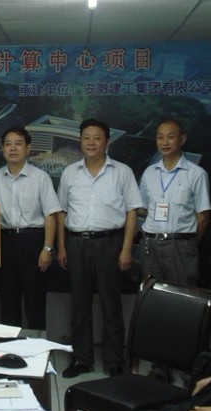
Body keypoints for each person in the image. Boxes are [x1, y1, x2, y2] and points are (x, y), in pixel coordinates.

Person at [57, 118, 143, 378]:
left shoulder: (122, 172)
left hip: (110, 243)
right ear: (80, 141)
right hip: (76, 243)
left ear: (107, 141)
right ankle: (81, 359)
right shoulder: (70, 173)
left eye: (97, 138)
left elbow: (132, 212)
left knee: (111, 304)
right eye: (86, 138)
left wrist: (126, 249)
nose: (91, 143)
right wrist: (61, 247)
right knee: (79, 304)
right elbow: (61, 212)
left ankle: (114, 361)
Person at [0, 126, 61, 330]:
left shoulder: (40, 177)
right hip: (5, 243)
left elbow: (51, 214)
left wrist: (47, 248)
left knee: (35, 300)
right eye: (8, 144)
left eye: (18, 144)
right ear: (2, 149)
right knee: (8, 299)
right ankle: (9, 345)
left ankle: (36, 346)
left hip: (33, 243)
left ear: (28, 149)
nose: (13, 148)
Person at [139, 119, 211, 286]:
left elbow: (203, 217)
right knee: (151, 294)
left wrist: (187, 243)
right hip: (150, 245)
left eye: (170, 137)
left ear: (182, 139)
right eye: (160, 137)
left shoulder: (196, 174)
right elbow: (144, 209)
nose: (165, 142)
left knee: (181, 294)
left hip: (180, 245)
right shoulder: (149, 172)